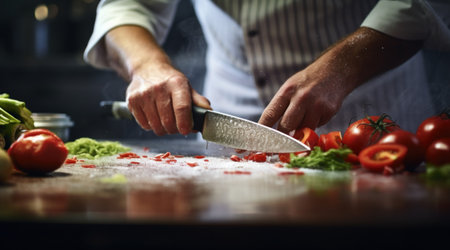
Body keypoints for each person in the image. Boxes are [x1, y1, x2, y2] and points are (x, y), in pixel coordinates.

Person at [84, 0, 450, 138]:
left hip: (372, 116)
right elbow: (128, 5)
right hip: (229, 115)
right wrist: (147, 64)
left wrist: (343, 66)